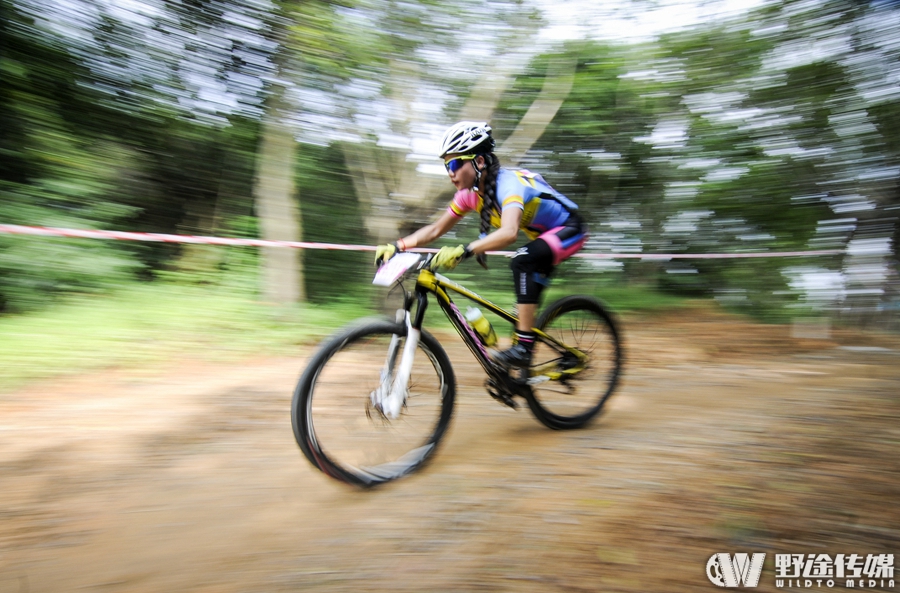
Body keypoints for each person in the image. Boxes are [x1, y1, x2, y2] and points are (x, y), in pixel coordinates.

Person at [375, 121, 588, 368]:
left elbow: (508, 232)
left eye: (455, 164)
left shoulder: (509, 185)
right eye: (447, 165)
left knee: (522, 260)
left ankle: (523, 352)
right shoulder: (468, 196)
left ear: (478, 162)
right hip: (542, 238)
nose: (450, 172)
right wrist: (398, 245)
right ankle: (521, 369)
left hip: (570, 229)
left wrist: (465, 250)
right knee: (521, 312)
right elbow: (435, 229)